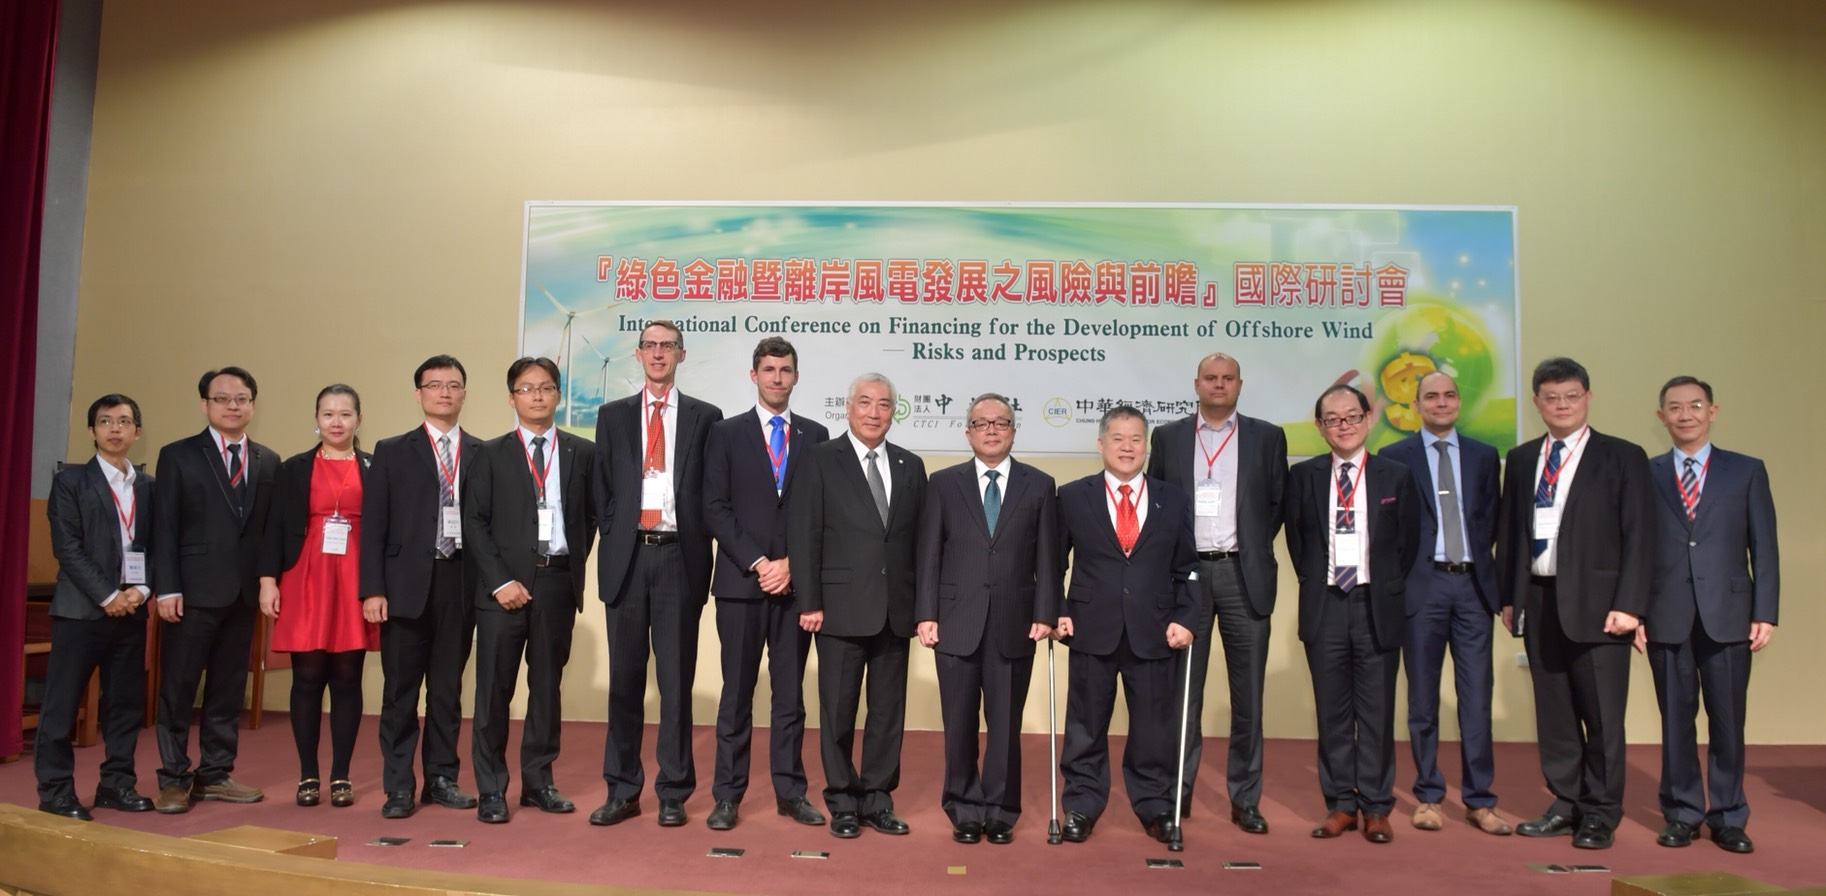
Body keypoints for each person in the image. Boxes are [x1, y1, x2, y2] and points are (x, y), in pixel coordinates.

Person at [1498, 357, 1654, 850]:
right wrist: (1509, 598)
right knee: (1556, 715)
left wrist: (1631, 605)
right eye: (1551, 397)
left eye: (1571, 396)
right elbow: (1511, 533)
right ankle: (1565, 803)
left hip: (1602, 607)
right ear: (1537, 402)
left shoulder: (1623, 456)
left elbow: (1640, 537)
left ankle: (1601, 813)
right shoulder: (1522, 459)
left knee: (1603, 717)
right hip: (1540, 601)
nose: (1561, 405)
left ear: (1587, 398)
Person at [589, 320, 723, 828]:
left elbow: (713, 491)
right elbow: (603, 488)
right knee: (624, 683)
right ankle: (622, 790)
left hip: (677, 558)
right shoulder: (613, 416)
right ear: (638, 354)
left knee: (675, 683)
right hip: (628, 558)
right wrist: (616, 531)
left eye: (668, 346)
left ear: (681, 355)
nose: (659, 353)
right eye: (650, 345)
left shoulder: (706, 417)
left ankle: (673, 791)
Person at [1146, 352, 1286, 833]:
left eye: (1228, 378)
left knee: (1249, 698)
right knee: (1183, 695)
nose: (1219, 385)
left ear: (1240, 385)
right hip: (1186, 578)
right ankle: (1177, 794)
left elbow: (1276, 504)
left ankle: (1245, 799)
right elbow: (1158, 503)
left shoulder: (1268, 437)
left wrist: (1248, 549)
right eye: (1211, 378)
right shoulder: (1168, 437)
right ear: (1196, 384)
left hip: (1243, 576)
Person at [1640, 375, 1778, 854]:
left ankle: (1728, 815)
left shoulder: (1747, 471)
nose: (1686, 415)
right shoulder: (1647, 473)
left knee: (1728, 720)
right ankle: (1682, 812)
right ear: (1661, 417)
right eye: (1675, 407)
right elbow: (1635, 548)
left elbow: (1764, 547)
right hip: (1665, 613)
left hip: (1730, 614)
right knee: (1675, 721)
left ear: (1713, 411)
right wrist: (1635, 611)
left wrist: (1765, 611)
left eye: (1695, 405)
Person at [916, 393, 1060, 845]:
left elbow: (1050, 558)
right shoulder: (943, 483)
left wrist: (1046, 612)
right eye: (982, 423)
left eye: (1001, 422)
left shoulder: (1040, 485)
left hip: (1015, 622)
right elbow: (929, 553)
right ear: (968, 432)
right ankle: (963, 808)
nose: (992, 430)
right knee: (958, 723)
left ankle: (1000, 810)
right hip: (955, 621)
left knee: (1005, 725)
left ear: (1014, 431)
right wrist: (926, 613)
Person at [788, 372, 927, 839]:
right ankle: (843, 802)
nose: (874, 412)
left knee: (888, 714)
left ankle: (878, 800)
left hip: (895, 611)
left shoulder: (910, 465)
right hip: (838, 609)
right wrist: (810, 601)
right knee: (838, 712)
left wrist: (922, 607)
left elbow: (920, 542)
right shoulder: (820, 459)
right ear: (848, 408)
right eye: (865, 403)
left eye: (884, 404)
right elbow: (805, 533)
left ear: (893, 412)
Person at [700, 337, 829, 831]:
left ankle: (790, 792)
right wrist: (759, 562)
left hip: (796, 587)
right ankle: (727, 796)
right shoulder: (725, 433)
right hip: (741, 584)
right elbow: (715, 507)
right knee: (736, 693)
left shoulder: (817, 435)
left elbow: (823, 511)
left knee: (790, 696)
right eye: (769, 370)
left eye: (785, 370)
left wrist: (792, 564)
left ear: (796, 377)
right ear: (753, 375)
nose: (777, 378)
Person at [1055, 406, 1198, 845]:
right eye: (1117, 438)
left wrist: (1185, 618)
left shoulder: (1172, 499)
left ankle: (1155, 805)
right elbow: (1053, 562)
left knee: (1154, 727)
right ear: (1101, 444)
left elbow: (1188, 567)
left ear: (1146, 446)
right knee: (1085, 725)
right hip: (1090, 627)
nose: (1127, 447)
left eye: (1136, 439)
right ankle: (1081, 804)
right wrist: (1057, 610)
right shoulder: (1072, 496)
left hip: (1154, 630)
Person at [464, 357, 598, 824]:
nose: (537, 396)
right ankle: (491, 789)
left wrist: (567, 563)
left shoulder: (582, 452)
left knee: (546, 689)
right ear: (511, 398)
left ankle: (539, 783)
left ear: (558, 395)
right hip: (502, 590)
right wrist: (500, 581)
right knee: (493, 691)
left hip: (557, 582)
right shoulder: (489, 454)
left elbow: (590, 518)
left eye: (546, 388)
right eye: (526, 388)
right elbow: (474, 523)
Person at [1284, 385, 1419, 844]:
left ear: (1367, 419)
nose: (1344, 426)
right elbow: (1299, 542)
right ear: (1320, 426)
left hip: (1374, 604)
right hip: (1325, 604)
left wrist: (1379, 583)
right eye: (1333, 419)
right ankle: (1341, 803)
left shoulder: (1395, 476)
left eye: (1352, 416)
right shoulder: (1303, 476)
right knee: (1332, 712)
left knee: (1377, 712)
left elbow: (1407, 544)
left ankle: (1377, 807)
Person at [1378, 372, 1511, 835]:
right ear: (1415, 405)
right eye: (1431, 396)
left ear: (1459, 402)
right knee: (1422, 701)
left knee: (1476, 699)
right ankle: (1429, 796)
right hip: (1423, 588)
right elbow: (1390, 528)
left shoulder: (1483, 456)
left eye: (1449, 395)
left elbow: (1492, 520)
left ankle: (1480, 800)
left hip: (1473, 587)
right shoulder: (1395, 456)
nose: (1441, 403)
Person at [360, 355, 483, 819]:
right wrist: (373, 589)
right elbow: (374, 524)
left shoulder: (482, 452)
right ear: (419, 394)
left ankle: (442, 778)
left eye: (453, 385)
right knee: (401, 692)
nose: (444, 392)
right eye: (434, 385)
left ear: (464, 393)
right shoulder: (392, 450)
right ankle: (398, 786)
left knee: (447, 691)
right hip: (404, 586)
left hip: (460, 582)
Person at [151, 366, 277, 814]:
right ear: (205, 404)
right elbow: (164, 527)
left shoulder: (267, 460)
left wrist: (267, 581)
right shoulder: (178, 455)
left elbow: (268, 531)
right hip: (191, 593)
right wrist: (166, 588)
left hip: (243, 595)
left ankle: (216, 773)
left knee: (227, 688)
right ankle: (173, 778)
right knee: (178, 689)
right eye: (222, 399)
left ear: (253, 405)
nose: (232, 406)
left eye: (241, 398)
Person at [35, 394, 156, 819]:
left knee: (124, 705)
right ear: (92, 431)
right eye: (105, 421)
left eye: (124, 421)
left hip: (132, 608)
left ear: (137, 432)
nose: (115, 429)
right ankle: (55, 790)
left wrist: (141, 590)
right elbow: (67, 548)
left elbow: (158, 544)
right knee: (62, 705)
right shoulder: (70, 481)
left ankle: (116, 784)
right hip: (81, 611)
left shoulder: (148, 486)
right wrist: (108, 595)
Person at [257, 385, 378, 809]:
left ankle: (341, 774)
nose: (336, 422)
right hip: (305, 576)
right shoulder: (294, 468)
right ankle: (308, 773)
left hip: (355, 578)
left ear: (359, 419)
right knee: (307, 677)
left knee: (347, 677)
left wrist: (378, 588)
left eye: (345, 414)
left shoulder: (374, 467)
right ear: (317, 419)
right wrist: (267, 581)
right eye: (328, 414)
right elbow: (273, 528)